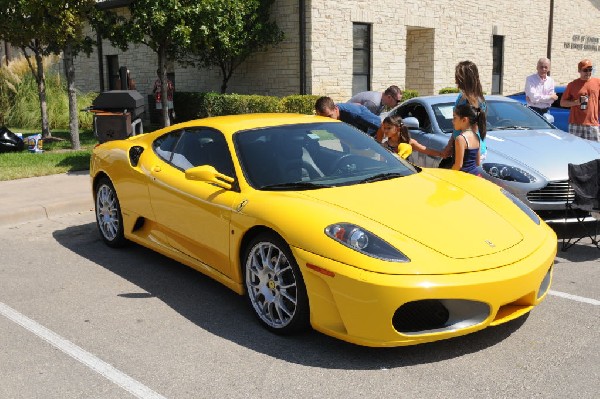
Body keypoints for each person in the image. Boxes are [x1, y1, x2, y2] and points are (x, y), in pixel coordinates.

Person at [440, 60, 487, 163]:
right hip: (466, 148)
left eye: (458, 77)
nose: (456, 81)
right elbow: (457, 126)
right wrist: (450, 145)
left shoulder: (472, 101)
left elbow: (474, 128)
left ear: (466, 79)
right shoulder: (463, 97)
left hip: (468, 151)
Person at [560, 59, 600, 142]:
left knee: (594, 150)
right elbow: (562, 103)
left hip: (592, 124)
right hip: (575, 123)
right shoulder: (572, 85)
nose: (588, 72)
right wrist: (576, 102)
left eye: (590, 70)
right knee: (575, 150)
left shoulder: (597, 83)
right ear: (579, 70)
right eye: (585, 70)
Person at [315, 96, 381, 136]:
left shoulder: (355, 113)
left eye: (329, 116)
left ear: (335, 109)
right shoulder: (331, 116)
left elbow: (381, 125)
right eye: (324, 118)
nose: (327, 120)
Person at [451, 103, 482, 175]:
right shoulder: (476, 136)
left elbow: (458, 165)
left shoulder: (460, 139)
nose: (452, 121)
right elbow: (478, 162)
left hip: (464, 178)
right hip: (475, 176)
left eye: (454, 118)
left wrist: (449, 174)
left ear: (464, 120)